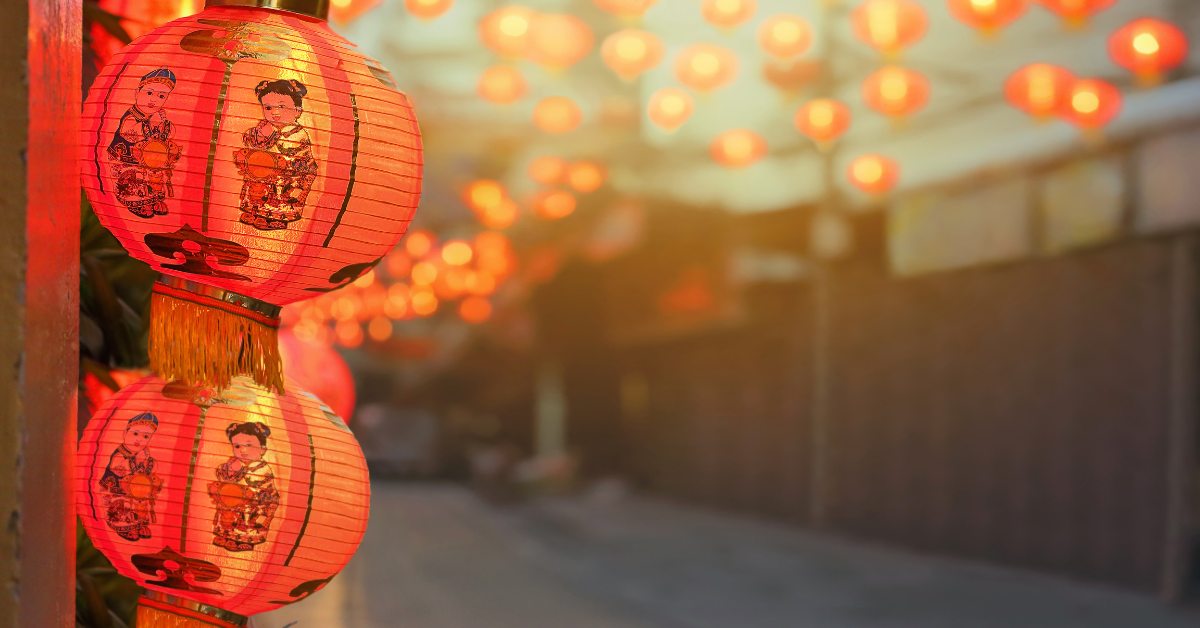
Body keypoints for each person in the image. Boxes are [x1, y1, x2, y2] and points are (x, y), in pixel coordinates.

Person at [234, 78, 318, 231]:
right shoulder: (263, 127)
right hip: (266, 170)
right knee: (256, 186)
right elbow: (250, 141)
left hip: (291, 174)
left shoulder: (298, 134)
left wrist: (280, 161)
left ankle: (275, 219)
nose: (275, 113)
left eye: (282, 106)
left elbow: (297, 157)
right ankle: (254, 212)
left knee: (279, 196)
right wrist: (258, 135)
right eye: (268, 108)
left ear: (298, 111)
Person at [107, 67, 181, 217]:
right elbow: (129, 133)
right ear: (137, 93)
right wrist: (151, 123)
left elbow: (168, 133)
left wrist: (163, 124)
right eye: (149, 93)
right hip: (126, 160)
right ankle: (138, 204)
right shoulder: (132, 115)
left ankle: (154, 200)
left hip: (149, 160)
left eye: (161, 96)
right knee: (135, 181)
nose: (153, 99)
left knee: (156, 177)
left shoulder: (158, 116)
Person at [208, 421, 280, 552]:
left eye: (249, 445)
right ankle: (225, 535)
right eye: (237, 446)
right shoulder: (233, 463)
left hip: (257, 502)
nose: (243, 450)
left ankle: (244, 541)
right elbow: (222, 474)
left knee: (247, 521)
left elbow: (255, 486)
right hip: (235, 499)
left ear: (263, 449)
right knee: (226, 513)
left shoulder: (262, 468)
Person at [99, 412, 163, 541]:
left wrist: (148, 462)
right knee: (122, 509)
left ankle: (139, 526)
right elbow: (118, 469)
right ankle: (125, 529)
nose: (139, 439)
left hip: (134, 491)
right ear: (124, 433)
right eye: (135, 434)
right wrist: (137, 459)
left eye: (145, 436)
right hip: (115, 490)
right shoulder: (120, 453)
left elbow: (148, 469)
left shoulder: (142, 453)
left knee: (141, 504)